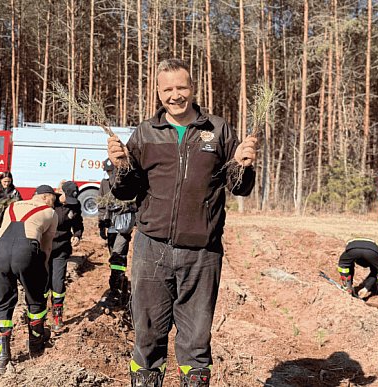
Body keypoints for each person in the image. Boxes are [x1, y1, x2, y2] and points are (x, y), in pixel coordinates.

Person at [107, 58, 258, 387]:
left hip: (202, 254)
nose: (176, 95)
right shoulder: (145, 133)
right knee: (147, 340)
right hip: (151, 249)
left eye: (182, 87)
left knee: (195, 343)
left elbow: (239, 187)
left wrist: (244, 166)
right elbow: (125, 192)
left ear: (193, 88)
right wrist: (120, 166)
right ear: (158, 92)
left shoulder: (217, 130)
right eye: (168, 89)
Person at [0, 185, 58, 374]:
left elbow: (1, 232)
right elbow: (47, 248)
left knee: (3, 303)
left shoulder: (14, 205)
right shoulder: (50, 212)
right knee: (35, 299)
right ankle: (36, 346)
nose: (56, 201)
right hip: (26, 251)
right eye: (54, 197)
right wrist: (42, 272)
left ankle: (2, 358)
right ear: (45, 197)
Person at [98, 158, 138, 308]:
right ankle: (119, 281)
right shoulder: (104, 184)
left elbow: (135, 203)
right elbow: (102, 206)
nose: (110, 175)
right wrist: (102, 224)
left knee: (117, 255)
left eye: (111, 171)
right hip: (111, 227)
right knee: (113, 256)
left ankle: (115, 289)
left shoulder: (127, 183)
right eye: (108, 172)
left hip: (123, 226)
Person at [46, 181, 83, 332]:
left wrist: (77, 235)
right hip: (45, 248)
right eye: (67, 198)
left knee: (58, 283)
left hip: (62, 249)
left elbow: (78, 223)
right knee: (43, 283)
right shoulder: (50, 202)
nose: (69, 202)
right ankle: (37, 318)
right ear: (61, 193)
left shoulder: (75, 206)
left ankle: (57, 316)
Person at [337, 238, 378, 309]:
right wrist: (367, 288)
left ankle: (347, 288)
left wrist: (365, 288)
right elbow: (375, 271)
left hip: (352, 250)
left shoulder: (352, 244)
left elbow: (349, 267)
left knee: (344, 266)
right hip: (372, 252)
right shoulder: (375, 249)